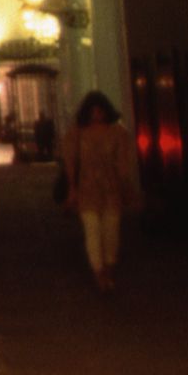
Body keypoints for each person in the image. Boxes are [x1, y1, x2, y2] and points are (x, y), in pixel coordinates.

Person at [65, 90, 140, 291]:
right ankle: (99, 272)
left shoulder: (118, 133)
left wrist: (126, 186)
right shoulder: (77, 133)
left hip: (111, 189)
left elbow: (123, 163)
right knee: (92, 231)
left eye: (100, 111)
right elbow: (71, 162)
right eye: (93, 112)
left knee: (111, 231)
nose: (97, 115)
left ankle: (108, 267)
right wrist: (72, 188)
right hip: (87, 188)